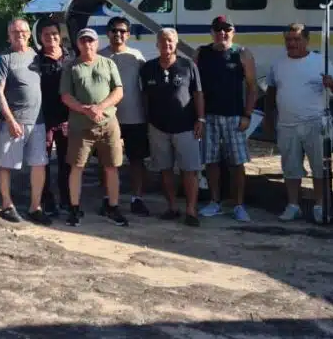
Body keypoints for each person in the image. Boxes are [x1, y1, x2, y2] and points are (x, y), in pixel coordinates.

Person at [264, 23, 333, 224]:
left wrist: (332, 84)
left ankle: (319, 206)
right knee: (290, 168)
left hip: (315, 123)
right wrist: (268, 117)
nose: (292, 43)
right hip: (286, 124)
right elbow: (271, 92)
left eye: (297, 39)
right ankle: (293, 205)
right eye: (288, 39)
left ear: (306, 40)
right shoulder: (278, 64)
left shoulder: (320, 61)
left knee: (319, 167)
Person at [59, 27, 128, 227]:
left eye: (91, 40)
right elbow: (66, 96)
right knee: (77, 166)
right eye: (83, 41)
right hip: (80, 126)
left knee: (112, 166)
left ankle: (113, 207)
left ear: (97, 43)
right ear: (78, 44)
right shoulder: (71, 67)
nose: (87, 44)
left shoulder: (108, 63)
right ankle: (74, 208)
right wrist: (84, 109)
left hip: (108, 124)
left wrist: (100, 107)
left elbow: (118, 91)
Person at [140, 28, 205, 226]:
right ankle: (172, 207)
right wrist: (147, 121)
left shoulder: (188, 65)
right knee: (165, 169)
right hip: (158, 127)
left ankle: (191, 211)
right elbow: (144, 96)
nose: (166, 44)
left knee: (189, 170)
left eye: (170, 40)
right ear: (156, 44)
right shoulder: (148, 68)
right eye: (162, 41)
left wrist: (200, 119)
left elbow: (198, 93)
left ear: (176, 43)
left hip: (186, 126)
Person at [197, 16, 257, 222]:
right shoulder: (201, 53)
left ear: (233, 32)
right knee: (211, 161)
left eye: (226, 29)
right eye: (217, 29)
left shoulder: (242, 53)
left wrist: (247, 115)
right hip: (209, 116)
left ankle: (239, 205)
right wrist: (199, 117)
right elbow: (196, 87)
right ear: (211, 32)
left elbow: (252, 87)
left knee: (237, 163)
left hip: (234, 117)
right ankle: (215, 202)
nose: (222, 33)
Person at [0, 18, 48, 224]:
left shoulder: (37, 55)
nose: (20, 35)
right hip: (14, 121)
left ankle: (35, 206)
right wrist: (9, 120)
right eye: (15, 32)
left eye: (23, 31)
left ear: (29, 34)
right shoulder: (5, 58)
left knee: (39, 164)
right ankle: (6, 205)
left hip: (38, 121)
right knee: (6, 165)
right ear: (9, 35)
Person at [98, 17, 150, 216]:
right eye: (114, 30)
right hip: (108, 118)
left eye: (122, 31)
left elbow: (146, 87)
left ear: (128, 34)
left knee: (136, 160)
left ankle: (137, 199)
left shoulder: (137, 57)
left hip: (135, 116)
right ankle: (108, 198)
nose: (117, 34)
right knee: (107, 161)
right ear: (108, 33)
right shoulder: (99, 56)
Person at [37, 19, 71, 215]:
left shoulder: (71, 57)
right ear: (40, 38)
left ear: (60, 35)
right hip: (44, 118)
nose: (51, 37)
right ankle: (46, 198)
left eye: (54, 33)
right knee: (43, 161)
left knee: (67, 161)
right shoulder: (36, 60)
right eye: (46, 34)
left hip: (67, 118)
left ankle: (66, 197)